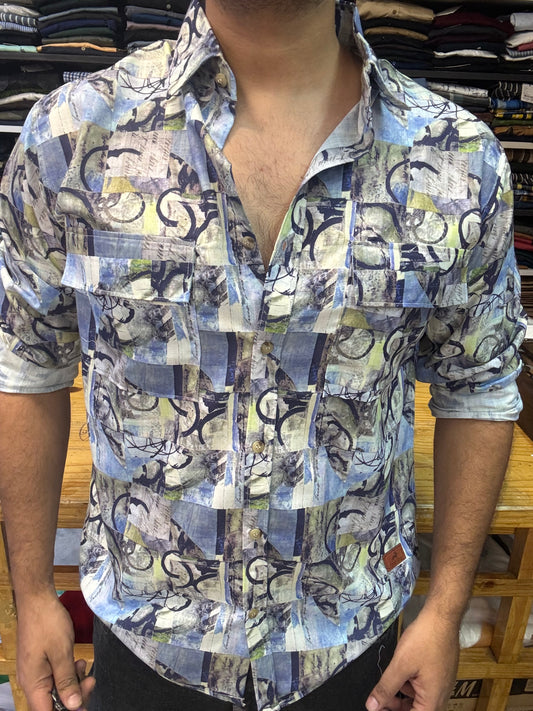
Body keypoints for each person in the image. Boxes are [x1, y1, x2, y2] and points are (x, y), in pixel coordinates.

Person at [0, 1, 526, 710]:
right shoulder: (71, 137)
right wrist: (32, 591)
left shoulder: (456, 159)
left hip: (350, 650)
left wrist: (446, 603)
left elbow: (481, 386)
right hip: (149, 644)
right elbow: (26, 367)